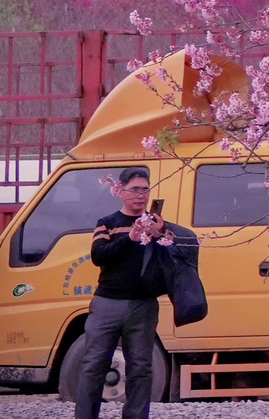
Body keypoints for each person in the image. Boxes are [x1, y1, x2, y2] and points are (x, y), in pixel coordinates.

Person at [77, 167, 178, 419]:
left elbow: (173, 262)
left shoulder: (157, 226)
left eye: (145, 190)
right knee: (93, 366)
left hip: (143, 306)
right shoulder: (107, 223)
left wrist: (161, 233)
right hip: (106, 303)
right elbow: (99, 256)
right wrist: (130, 238)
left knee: (141, 369)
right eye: (135, 189)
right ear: (120, 191)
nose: (141, 195)